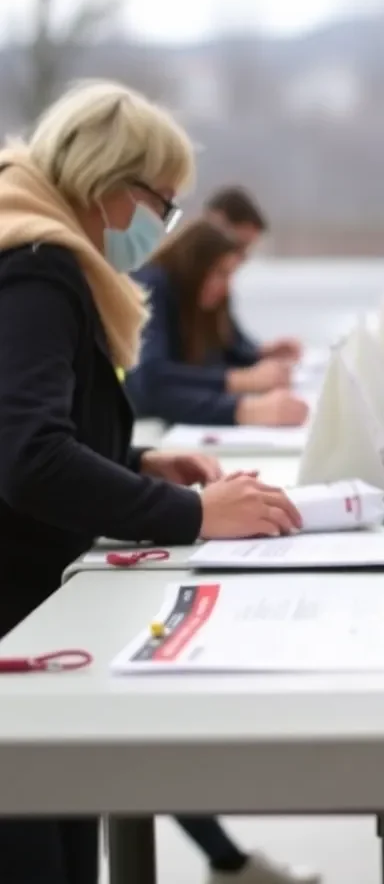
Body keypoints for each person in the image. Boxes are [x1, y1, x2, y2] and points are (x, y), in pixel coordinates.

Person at [0, 79, 318, 884]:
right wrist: (193, 511)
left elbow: (33, 428)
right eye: (161, 203)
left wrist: (134, 462)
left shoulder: (34, 252)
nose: (163, 227)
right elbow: (30, 458)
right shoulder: (39, 268)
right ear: (110, 183)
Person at [126, 218, 309, 426]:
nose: (226, 287)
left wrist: (256, 360)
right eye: (221, 273)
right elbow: (150, 381)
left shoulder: (193, 302)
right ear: (195, 265)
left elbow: (215, 357)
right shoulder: (151, 285)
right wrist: (243, 402)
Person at [203, 185, 302, 363]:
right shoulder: (164, 283)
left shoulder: (218, 288)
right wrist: (238, 382)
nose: (239, 260)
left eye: (245, 252)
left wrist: (262, 352)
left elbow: (229, 342)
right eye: (238, 247)